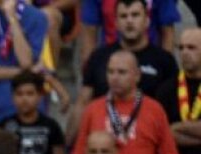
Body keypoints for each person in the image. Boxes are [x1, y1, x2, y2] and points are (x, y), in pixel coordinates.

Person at [72, 49, 181, 154]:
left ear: (137, 76)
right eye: (110, 72)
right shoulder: (92, 109)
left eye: (121, 72)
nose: (115, 77)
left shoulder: (155, 109)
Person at [73, 0, 178, 142]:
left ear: (147, 20)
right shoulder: (98, 58)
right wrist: (71, 146)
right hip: (104, 141)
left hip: (150, 139)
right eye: (123, 16)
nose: (129, 21)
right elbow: (83, 102)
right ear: (115, 23)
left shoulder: (165, 62)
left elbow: (172, 113)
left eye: (135, 15)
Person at [0, 0, 48, 123]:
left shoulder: (36, 17)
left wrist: (12, 20)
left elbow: (26, 62)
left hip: (26, 90)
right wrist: (24, 72)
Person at [156, 27, 201, 154]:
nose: (184, 53)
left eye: (191, 48)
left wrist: (176, 128)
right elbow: (163, 135)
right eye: (181, 48)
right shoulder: (166, 88)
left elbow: (171, 132)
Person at [0, 70, 66, 154]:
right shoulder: (4, 126)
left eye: (30, 94)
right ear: (12, 97)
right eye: (19, 94)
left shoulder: (51, 126)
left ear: (40, 96)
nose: (24, 99)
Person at [80, 0, 179, 66]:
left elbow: (168, 32)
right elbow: (89, 33)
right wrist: (88, 71)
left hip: (150, 61)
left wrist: (166, 65)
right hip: (110, 62)